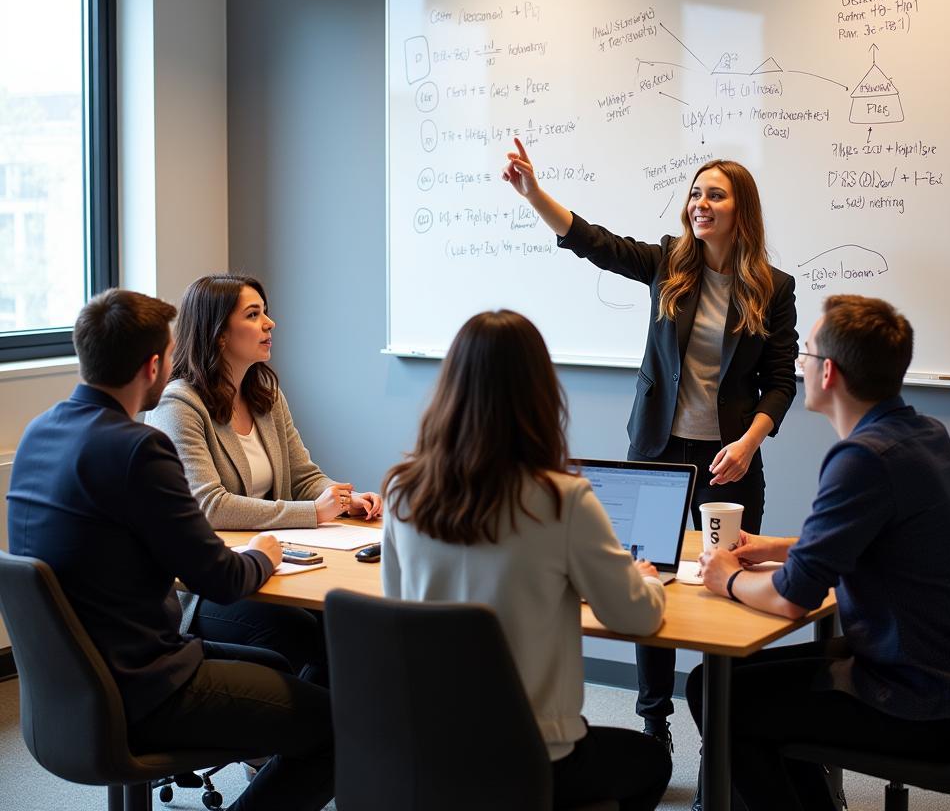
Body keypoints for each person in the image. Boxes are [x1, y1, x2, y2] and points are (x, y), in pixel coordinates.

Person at [503, 138, 798, 751]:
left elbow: (779, 380)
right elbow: (594, 242)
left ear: (741, 209)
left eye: (715, 194)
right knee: (651, 578)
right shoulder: (670, 263)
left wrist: (747, 443)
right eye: (695, 193)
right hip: (659, 452)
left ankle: (726, 732)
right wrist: (535, 196)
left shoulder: (774, 287)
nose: (700, 203)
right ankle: (654, 721)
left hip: (730, 459)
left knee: (734, 584)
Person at [7, 289, 333, 811]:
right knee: (337, 727)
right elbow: (220, 580)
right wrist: (265, 554)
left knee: (278, 660)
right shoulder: (137, 448)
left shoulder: (40, 432)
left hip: (71, 686)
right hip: (144, 687)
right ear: (154, 365)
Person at [690, 294, 950, 811]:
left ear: (828, 373)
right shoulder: (921, 434)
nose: (797, 364)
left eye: (805, 354)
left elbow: (793, 599)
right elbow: (872, 540)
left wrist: (724, 577)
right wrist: (773, 547)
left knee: (722, 700)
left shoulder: (862, 458)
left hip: (916, 699)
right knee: (719, 684)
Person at [381, 310, 673, 811]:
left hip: (433, 750)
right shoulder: (562, 499)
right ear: (541, 394)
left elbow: (397, 609)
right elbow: (636, 615)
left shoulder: (404, 492)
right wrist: (646, 581)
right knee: (652, 761)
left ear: (450, 388)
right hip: (536, 758)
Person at [147, 273, 382, 683]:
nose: (269, 323)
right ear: (219, 334)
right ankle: (303, 743)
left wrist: (342, 497)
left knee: (350, 627)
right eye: (254, 315)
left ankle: (320, 741)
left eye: (265, 313)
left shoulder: (264, 394)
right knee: (315, 639)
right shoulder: (179, 403)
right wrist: (312, 512)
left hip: (277, 565)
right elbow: (210, 506)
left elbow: (303, 474)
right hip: (210, 588)